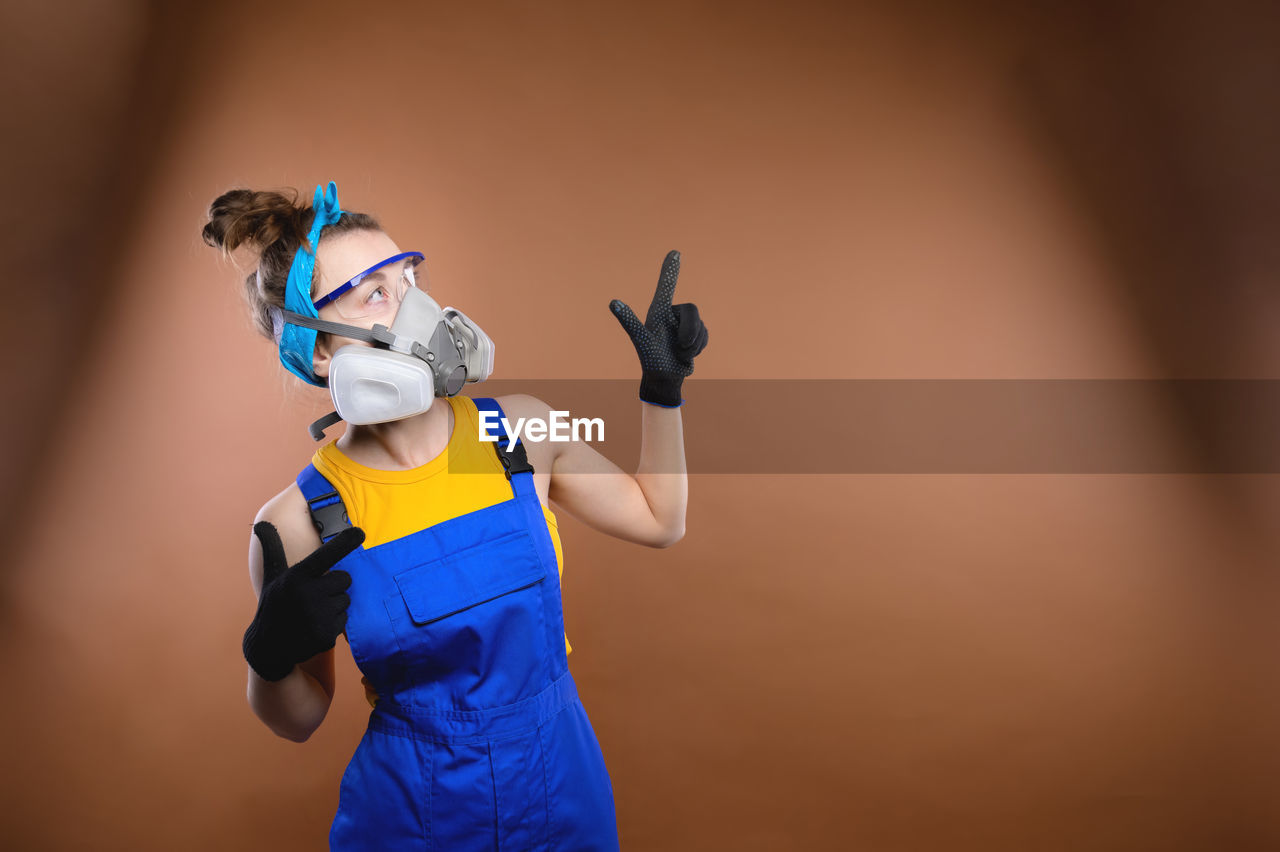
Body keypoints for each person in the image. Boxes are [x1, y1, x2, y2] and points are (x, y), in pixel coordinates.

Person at [201, 180, 709, 850]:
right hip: (414, 814)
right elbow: (300, 719)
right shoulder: (299, 520)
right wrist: (265, 657)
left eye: (410, 278)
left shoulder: (515, 435)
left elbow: (659, 518)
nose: (418, 307)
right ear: (320, 348)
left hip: (563, 789)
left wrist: (662, 393)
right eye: (377, 292)